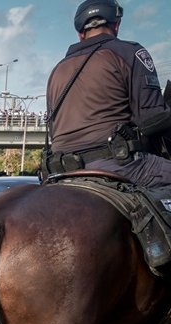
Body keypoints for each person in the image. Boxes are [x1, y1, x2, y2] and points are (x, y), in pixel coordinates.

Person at [45, 0, 171, 186]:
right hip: (118, 164)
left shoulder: (57, 70)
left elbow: (53, 130)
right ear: (116, 24)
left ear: (80, 33)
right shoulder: (130, 52)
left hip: (61, 169)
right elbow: (150, 118)